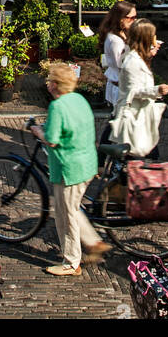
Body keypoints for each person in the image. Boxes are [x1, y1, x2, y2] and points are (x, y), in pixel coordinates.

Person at [31, 62, 107, 276]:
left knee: (65, 215)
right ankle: (94, 242)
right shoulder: (79, 99)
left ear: (55, 85)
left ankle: (71, 262)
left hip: (69, 169)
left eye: (49, 80)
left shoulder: (57, 106)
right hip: (87, 164)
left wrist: (37, 130)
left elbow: (52, 139)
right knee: (72, 207)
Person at [111, 20, 168, 158]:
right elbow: (134, 91)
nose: (155, 39)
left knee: (143, 157)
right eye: (153, 36)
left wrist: (149, 55)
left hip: (141, 116)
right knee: (143, 157)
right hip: (135, 118)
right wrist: (157, 91)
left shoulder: (138, 58)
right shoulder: (132, 62)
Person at [97, 0, 137, 110]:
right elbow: (122, 64)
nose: (134, 21)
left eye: (135, 17)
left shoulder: (123, 34)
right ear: (121, 18)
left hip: (122, 86)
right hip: (120, 89)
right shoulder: (115, 40)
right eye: (131, 18)